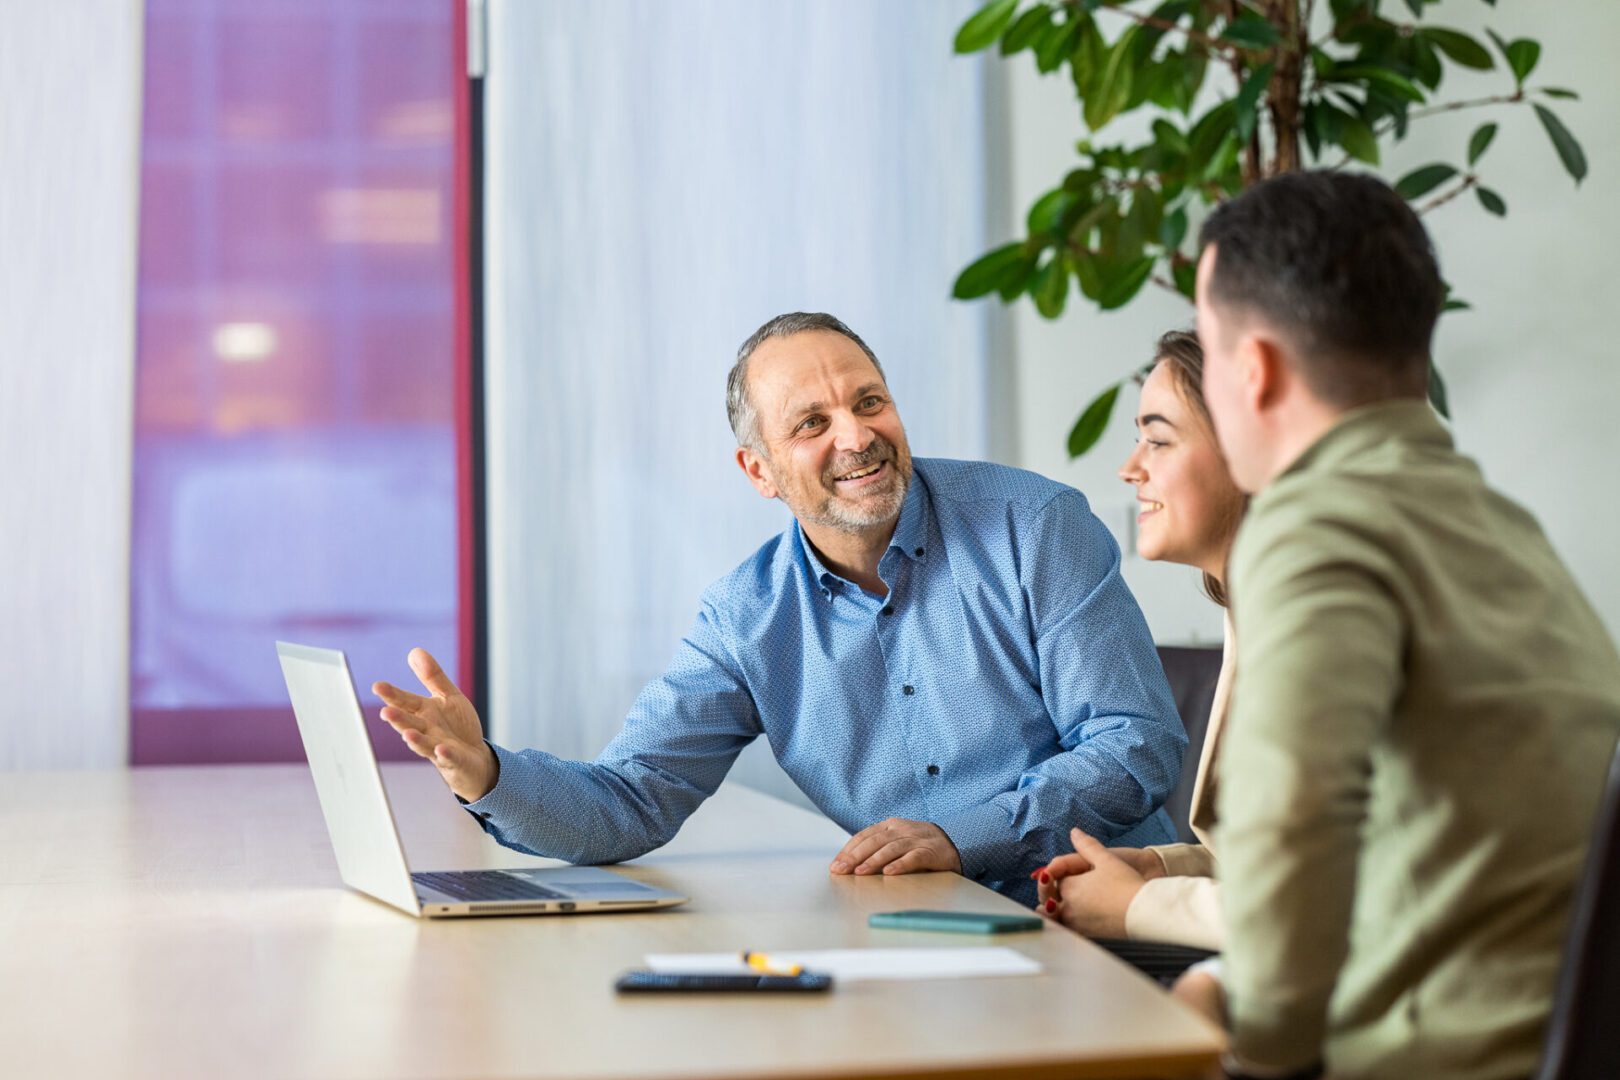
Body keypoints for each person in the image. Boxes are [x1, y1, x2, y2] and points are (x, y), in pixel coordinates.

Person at [374, 312, 1186, 904]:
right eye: (812, 423)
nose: (857, 436)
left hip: (1107, 922)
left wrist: (959, 837)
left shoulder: (1032, 526)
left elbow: (1135, 743)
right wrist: (486, 771)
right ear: (759, 472)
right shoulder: (746, 617)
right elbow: (632, 798)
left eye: (870, 403)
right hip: (922, 937)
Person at [1181, 171, 1620, 1080]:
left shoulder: (1319, 520)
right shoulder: (1497, 525)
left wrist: (1244, 1043)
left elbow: (1292, 814)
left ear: (1253, 370)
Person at [1034, 330, 1243, 955]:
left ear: (1252, 449)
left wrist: (1137, 905)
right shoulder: (1253, 609)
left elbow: (1329, 909)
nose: (1130, 468)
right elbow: (1283, 869)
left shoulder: (1324, 626)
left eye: (1157, 439)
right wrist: (1159, 869)